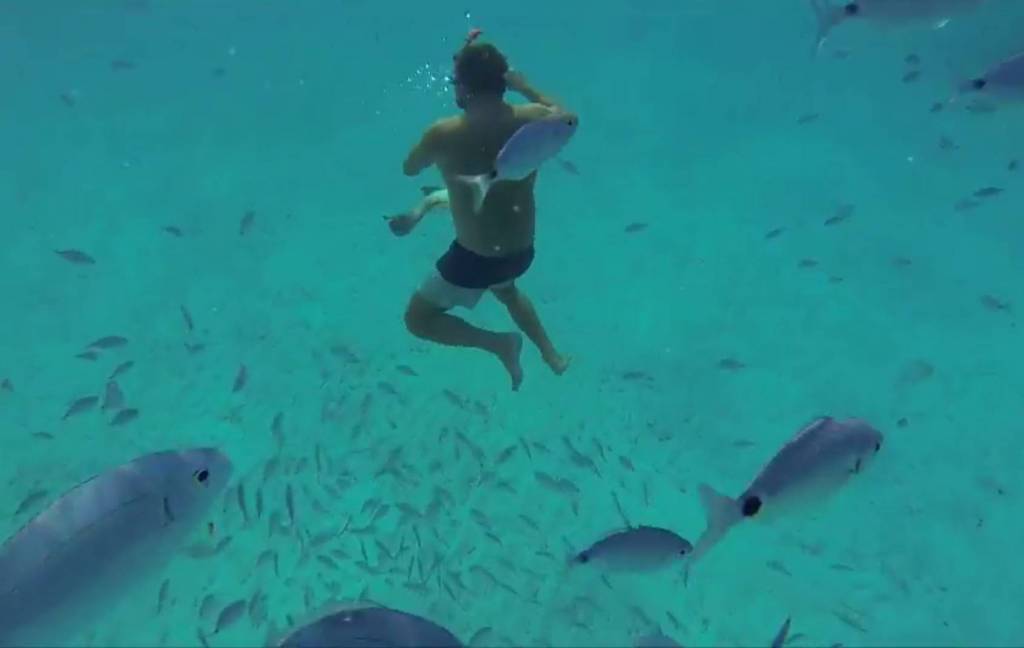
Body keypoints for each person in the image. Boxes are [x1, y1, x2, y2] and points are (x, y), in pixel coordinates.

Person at [388, 40, 575, 391]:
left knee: (418, 320)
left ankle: (500, 344)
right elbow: (567, 118)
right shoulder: (534, 119)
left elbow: (409, 169)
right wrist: (525, 87)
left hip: (478, 260)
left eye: (454, 82)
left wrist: (446, 152)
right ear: (503, 80)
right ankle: (552, 355)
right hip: (520, 253)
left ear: (464, 86)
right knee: (506, 290)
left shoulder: (444, 132)